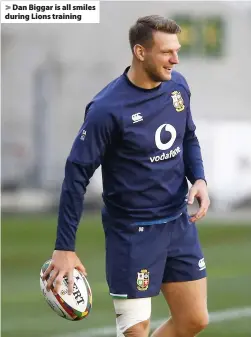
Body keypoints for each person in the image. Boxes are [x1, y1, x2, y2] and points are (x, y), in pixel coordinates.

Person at [43, 15, 210, 337]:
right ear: (140, 51)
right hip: (132, 233)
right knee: (135, 333)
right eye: (166, 52)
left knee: (194, 319)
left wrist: (199, 178)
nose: (175, 59)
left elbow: (187, 136)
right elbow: (75, 174)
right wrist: (64, 248)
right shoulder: (107, 109)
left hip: (178, 223)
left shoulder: (178, 86)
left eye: (176, 51)